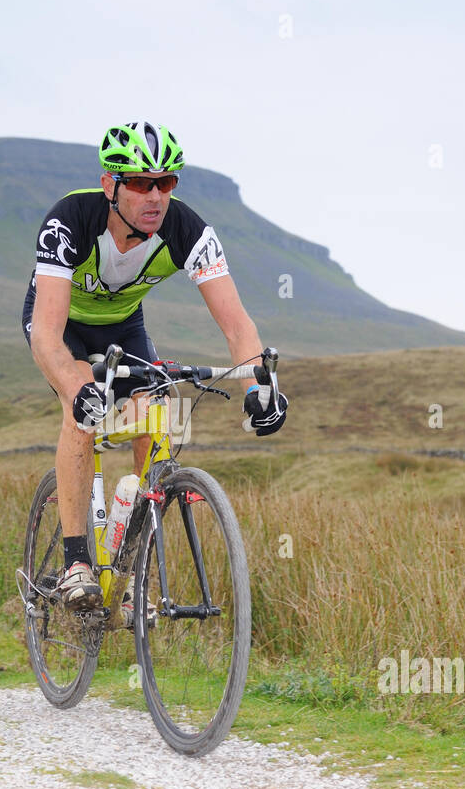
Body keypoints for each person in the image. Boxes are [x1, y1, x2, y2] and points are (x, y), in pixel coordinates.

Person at [23, 121, 288, 611]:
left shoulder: (189, 231)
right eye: (142, 184)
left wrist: (259, 387)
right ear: (111, 185)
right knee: (83, 407)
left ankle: (132, 561)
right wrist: (75, 386)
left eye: (166, 183)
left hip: (125, 327)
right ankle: (77, 559)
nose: (155, 196)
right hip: (63, 327)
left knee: (155, 411)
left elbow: (237, 326)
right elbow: (45, 333)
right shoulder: (70, 220)